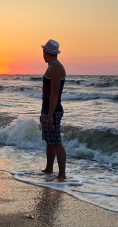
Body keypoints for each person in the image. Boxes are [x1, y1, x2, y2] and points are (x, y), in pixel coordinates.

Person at [40, 39, 67, 181]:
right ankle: (49, 168)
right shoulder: (51, 66)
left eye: (43, 52)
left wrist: (50, 115)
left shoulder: (56, 67)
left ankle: (62, 174)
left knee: (56, 141)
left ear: (46, 52)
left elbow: (54, 93)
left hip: (54, 110)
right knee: (49, 141)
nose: (42, 54)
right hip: (47, 110)